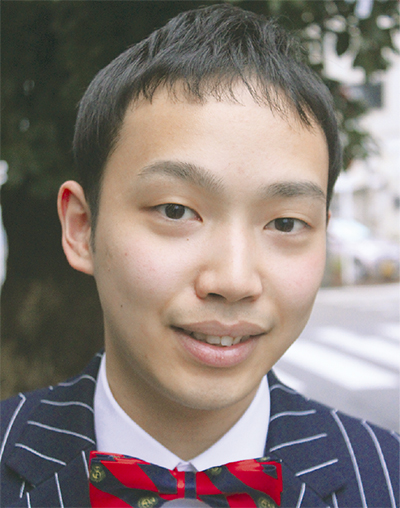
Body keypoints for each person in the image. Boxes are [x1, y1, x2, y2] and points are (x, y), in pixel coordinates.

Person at [1, 4, 398, 507]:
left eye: (285, 223)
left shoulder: (387, 477)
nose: (233, 280)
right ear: (82, 228)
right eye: (175, 210)